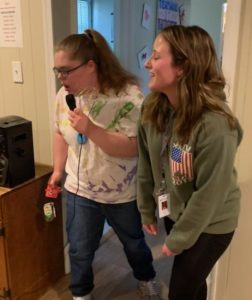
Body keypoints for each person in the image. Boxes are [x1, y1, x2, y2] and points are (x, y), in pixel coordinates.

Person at [48, 29, 159, 300]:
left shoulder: (128, 97)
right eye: (57, 71)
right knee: (79, 249)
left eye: (66, 71)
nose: (61, 78)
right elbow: (59, 133)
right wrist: (58, 170)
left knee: (133, 244)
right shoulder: (63, 96)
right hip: (79, 189)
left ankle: (146, 279)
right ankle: (81, 294)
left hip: (120, 193)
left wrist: (92, 129)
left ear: (90, 65)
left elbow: (134, 149)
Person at [137, 24, 243, 300]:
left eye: (157, 57)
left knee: (181, 292)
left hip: (212, 223)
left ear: (183, 66)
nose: (148, 63)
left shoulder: (215, 125)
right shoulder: (152, 107)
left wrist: (179, 239)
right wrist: (146, 206)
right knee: (194, 286)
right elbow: (147, 161)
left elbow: (209, 194)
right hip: (177, 211)